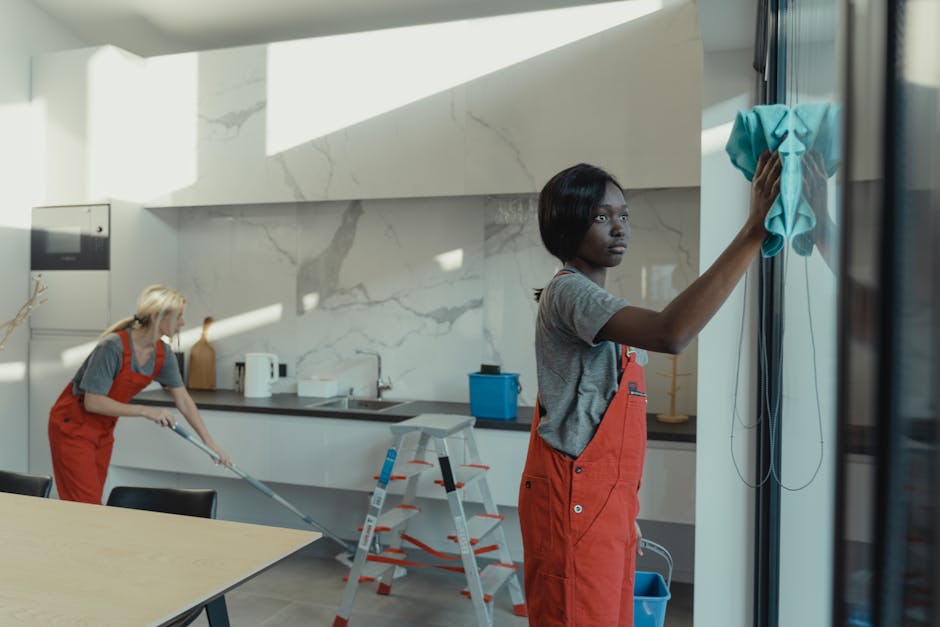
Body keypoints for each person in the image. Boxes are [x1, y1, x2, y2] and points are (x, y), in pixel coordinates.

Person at [518, 153, 781, 626]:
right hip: (572, 503)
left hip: (603, 506)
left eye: (623, 215)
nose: (619, 228)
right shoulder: (569, 292)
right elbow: (670, 333)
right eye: (601, 217)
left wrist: (621, 508)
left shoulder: (598, 303)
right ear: (567, 226)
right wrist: (753, 232)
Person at [48, 284, 231, 504]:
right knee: (85, 505)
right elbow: (93, 402)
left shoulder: (163, 354)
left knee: (92, 501)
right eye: (179, 316)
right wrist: (145, 411)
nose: (183, 322)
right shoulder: (113, 347)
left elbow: (183, 399)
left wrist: (209, 443)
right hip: (72, 427)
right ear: (157, 317)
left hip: (103, 429)